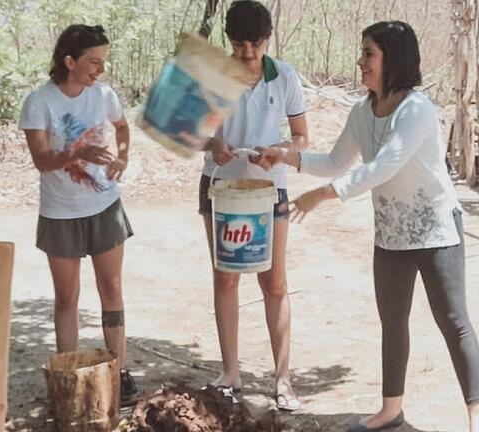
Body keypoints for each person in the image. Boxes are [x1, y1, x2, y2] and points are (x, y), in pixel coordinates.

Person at [260, 21, 479, 432]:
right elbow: (336, 161)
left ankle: (475, 414)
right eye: (362, 53)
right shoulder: (362, 111)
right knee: (392, 321)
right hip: (391, 234)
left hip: (436, 230)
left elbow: (383, 167)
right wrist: (286, 156)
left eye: (369, 54)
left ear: (392, 59)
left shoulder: (417, 109)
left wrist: (321, 196)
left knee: (453, 320)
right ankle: (391, 410)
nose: (360, 62)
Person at [18, 24, 139, 406]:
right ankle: (68, 374)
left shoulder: (103, 94)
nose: (99, 70)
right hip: (61, 212)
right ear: (68, 61)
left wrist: (123, 157)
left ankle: (118, 372)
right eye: (93, 62)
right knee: (66, 298)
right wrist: (77, 154)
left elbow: (122, 127)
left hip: (104, 206)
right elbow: (41, 160)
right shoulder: (40, 102)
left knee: (113, 288)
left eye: (103, 62)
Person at [197, 0, 307, 411]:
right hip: (220, 187)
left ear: (267, 40)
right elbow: (192, 132)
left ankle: (283, 379)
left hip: (268, 188)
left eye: (255, 45)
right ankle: (230, 372)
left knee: (274, 282)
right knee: (225, 278)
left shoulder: (285, 77)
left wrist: (278, 150)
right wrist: (214, 143)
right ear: (229, 40)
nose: (247, 54)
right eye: (240, 45)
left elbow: (301, 137)